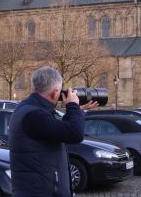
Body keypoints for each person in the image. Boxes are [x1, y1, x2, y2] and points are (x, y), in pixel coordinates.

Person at [8, 66, 96, 197]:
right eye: (60, 90)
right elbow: (75, 134)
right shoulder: (35, 115)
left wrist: (77, 110)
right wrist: (72, 106)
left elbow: (56, 129)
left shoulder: (28, 109)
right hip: (42, 191)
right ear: (55, 92)